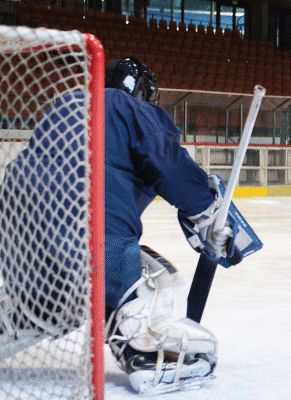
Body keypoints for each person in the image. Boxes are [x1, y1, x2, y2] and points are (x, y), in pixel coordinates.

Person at [100, 56, 260, 394]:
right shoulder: (129, 109)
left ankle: (18, 310)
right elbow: (171, 167)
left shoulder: (69, 109)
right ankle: (145, 353)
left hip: (21, 243)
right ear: (143, 92)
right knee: (153, 276)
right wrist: (208, 214)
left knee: (61, 285)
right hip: (92, 243)